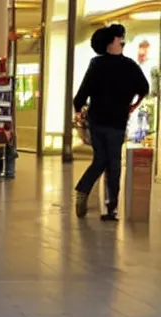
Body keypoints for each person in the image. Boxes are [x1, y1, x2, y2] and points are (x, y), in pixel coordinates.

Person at [73, 24, 149, 221]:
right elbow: (144, 88)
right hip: (116, 122)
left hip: (97, 121)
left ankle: (83, 188)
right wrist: (132, 106)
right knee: (113, 163)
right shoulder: (129, 66)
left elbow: (81, 95)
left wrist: (79, 110)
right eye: (119, 38)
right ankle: (110, 209)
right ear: (112, 42)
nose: (122, 41)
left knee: (101, 159)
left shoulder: (96, 64)